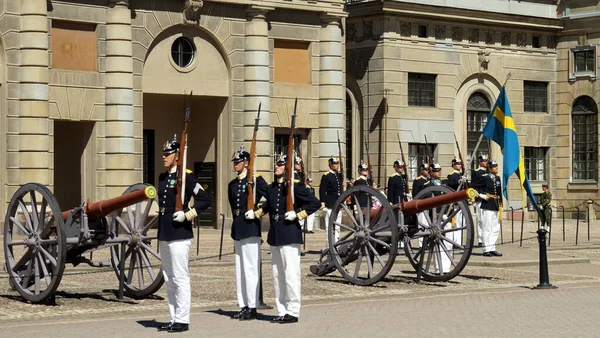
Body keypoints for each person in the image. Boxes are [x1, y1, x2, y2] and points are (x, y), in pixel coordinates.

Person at [254, 154, 320, 324]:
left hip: (290, 234)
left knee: (290, 274)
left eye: (280, 165)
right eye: (276, 164)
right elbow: (268, 205)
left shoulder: (294, 187)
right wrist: (254, 214)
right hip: (275, 235)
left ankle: (292, 311)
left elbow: (315, 203)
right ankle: (282, 309)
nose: (276, 167)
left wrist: (298, 215)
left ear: (287, 168)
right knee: (277, 275)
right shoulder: (273, 187)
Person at [157, 137, 211, 333]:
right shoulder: (162, 178)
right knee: (169, 277)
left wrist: (188, 214)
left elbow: (205, 200)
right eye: (163, 153)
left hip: (180, 233)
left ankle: (182, 319)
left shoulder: (187, 177)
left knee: (180, 277)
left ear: (177, 156)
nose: (163, 157)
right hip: (165, 232)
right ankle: (173, 318)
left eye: (167, 154)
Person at [228, 147, 268, 321]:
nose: (235, 165)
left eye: (238, 162)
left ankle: (252, 306)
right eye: (234, 162)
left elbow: (272, 199)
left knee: (251, 269)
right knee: (241, 270)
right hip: (239, 227)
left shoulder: (256, 181)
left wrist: (258, 212)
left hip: (251, 227)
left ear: (246, 163)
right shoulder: (233, 184)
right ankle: (244, 304)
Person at [479, 159, 503, 257]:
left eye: (496, 166)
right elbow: (475, 188)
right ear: (489, 168)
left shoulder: (497, 178)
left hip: (496, 204)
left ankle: (492, 247)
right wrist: (481, 195)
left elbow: (499, 192)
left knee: (495, 228)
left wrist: (501, 204)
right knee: (487, 227)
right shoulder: (484, 178)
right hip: (488, 204)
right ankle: (486, 249)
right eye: (494, 167)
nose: (496, 168)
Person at [319, 155, 343, 247]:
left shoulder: (338, 175)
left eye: (337, 164)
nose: (337, 165)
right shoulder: (327, 176)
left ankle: (337, 244)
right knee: (329, 226)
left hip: (338, 203)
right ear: (330, 165)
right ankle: (329, 245)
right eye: (335, 164)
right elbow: (322, 189)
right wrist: (323, 202)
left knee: (337, 226)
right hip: (330, 203)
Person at [471, 154, 489, 248]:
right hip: (480, 198)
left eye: (486, 161)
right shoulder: (476, 172)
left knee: (487, 220)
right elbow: (473, 186)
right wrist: (473, 199)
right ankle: (481, 240)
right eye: (484, 161)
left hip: (488, 199)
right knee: (480, 220)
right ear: (480, 162)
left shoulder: (489, 171)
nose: (485, 163)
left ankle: (487, 239)